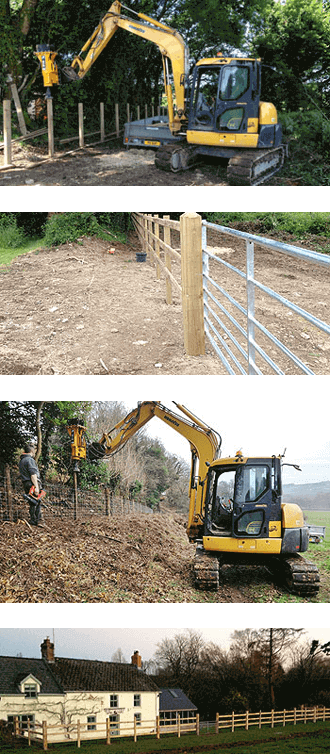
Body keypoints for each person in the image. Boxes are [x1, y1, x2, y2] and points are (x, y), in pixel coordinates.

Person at [19, 444, 45, 527]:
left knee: (32, 502)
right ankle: (39, 521)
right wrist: (36, 486)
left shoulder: (22, 461)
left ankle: (33, 520)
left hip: (26, 483)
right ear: (32, 451)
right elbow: (33, 474)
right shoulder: (30, 460)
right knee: (37, 501)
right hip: (32, 483)